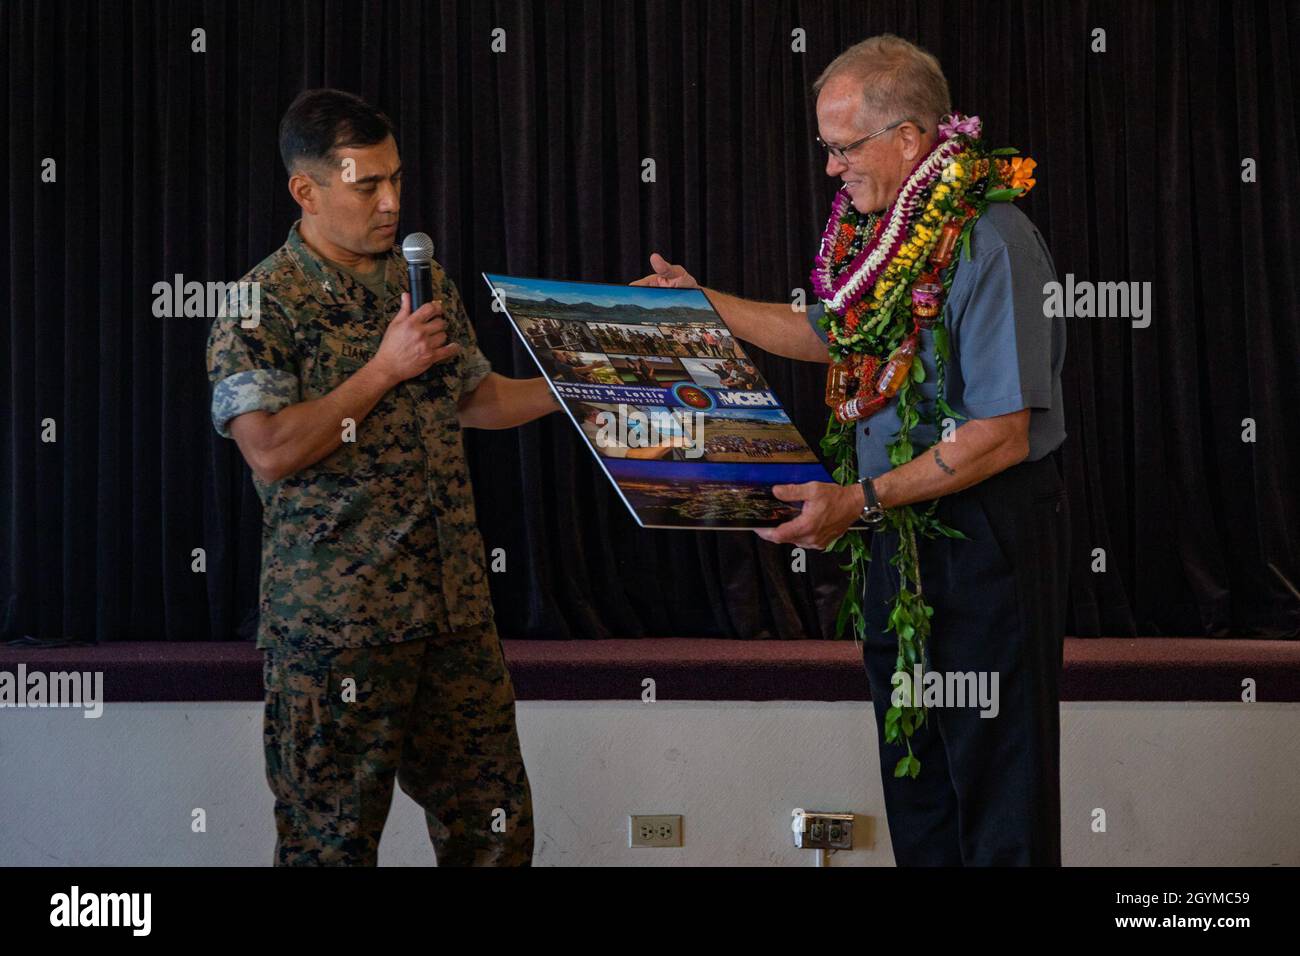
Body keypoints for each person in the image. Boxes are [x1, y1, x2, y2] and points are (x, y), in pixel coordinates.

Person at [635, 34, 1069, 866]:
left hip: (984, 536)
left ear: (908, 137)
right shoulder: (885, 235)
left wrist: (858, 502)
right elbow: (837, 334)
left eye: (844, 147)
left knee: (997, 787)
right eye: (826, 147)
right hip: (895, 532)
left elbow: (1000, 435)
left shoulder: (993, 239)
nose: (831, 168)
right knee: (918, 778)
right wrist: (702, 303)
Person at [206, 88, 559, 866]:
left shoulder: (420, 283)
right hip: (339, 629)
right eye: (367, 185)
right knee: (330, 845)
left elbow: (476, 399)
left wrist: (586, 383)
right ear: (306, 190)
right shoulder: (261, 303)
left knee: (495, 830)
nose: (392, 202)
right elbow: (269, 448)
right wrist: (382, 369)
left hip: (452, 614)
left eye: (395, 178)